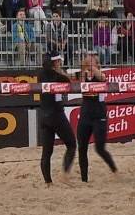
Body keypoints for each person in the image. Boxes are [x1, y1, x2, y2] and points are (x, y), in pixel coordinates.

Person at [76, 53, 117, 183]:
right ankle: (84, 179)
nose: (88, 61)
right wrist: (85, 68)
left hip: (99, 116)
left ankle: (114, 168)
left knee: (99, 148)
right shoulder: (83, 74)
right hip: (85, 115)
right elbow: (82, 85)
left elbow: (102, 77)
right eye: (87, 60)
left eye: (92, 60)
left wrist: (93, 67)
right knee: (82, 148)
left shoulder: (100, 74)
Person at [37, 52, 76, 186]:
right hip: (57, 115)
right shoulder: (57, 76)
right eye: (59, 61)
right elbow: (68, 82)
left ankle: (48, 182)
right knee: (71, 144)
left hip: (44, 116)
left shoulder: (41, 74)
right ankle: (64, 174)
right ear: (55, 63)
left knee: (46, 152)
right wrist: (60, 71)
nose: (61, 63)